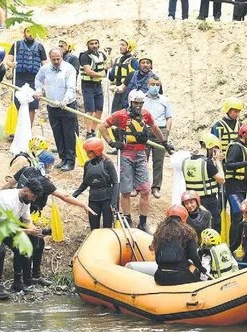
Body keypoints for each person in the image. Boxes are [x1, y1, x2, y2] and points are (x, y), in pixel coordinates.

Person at [10, 165, 95, 285]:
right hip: (23, 214)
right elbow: (64, 196)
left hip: (16, 212)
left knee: (38, 242)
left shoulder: (25, 169)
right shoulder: (44, 183)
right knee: (34, 242)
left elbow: (9, 184)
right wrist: (83, 205)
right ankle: (28, 278)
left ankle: (32, 276)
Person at [99, 89, 165, 232]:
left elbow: (154, 127)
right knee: (126, 190)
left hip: (141, 154)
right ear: (130, 102)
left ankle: (143, 222)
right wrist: (111, 142)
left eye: (140, 103)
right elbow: (102, 126)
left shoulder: (146, 114)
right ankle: (127, 218)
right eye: (136, 103)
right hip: (126, 154)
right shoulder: (120, 115)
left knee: (146, 191)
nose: (138, 106)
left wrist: (164, 142)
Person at [0, 178, 44, 299]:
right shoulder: (8, 200)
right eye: (33, 196)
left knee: (21, 247)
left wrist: (35, 231)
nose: (33, 200)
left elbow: (27, 220)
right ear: (25, 190)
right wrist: (28, 231)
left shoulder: (26, 201)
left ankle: (18, 283)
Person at [34, 48, 77, 171]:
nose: (56, 61)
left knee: (68, 134)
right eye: (54, 59)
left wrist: (65, 100)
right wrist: (39, 90)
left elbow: (71, 87)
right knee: (57, 133)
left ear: (62, 57)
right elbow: (38, 79)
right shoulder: (45, 68)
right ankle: (63, 158)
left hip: (66, 106)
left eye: (58, 59)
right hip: (52, 106)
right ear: (50, 59)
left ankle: (70, 160)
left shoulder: (69, 69)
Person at [152, 205, 208, 286]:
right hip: (180, 277)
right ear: (184, 217)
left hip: (160, 277)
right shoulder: (188, 232)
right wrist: (201, 268)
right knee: (197, 276)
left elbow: (157, 259)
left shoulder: (159, 233)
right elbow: (194, 256)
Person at [72, 138, 119, 230]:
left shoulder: (107, 163)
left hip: (107, 199)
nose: (87, 155)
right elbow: (85, 183)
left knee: (107, 228)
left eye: (89, 152)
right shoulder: (87, 164)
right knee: (94, 228)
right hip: (93, 199)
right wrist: (74, 195)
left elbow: (115, 183)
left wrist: (113, 202)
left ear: (96, 151)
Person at [183, 133, 226, 232]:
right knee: (214, 226)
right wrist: (218, 162)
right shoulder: (207, 162)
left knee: (194, 227)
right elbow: (222, 180)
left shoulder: (186, 161)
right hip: (209, 201)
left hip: (192, 201)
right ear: (211, 147)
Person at [6, 27, 48, 127]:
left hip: (34, 79)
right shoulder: (17, 45)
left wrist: (45, 83)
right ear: (24, 33)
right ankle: (15, 129)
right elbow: (8, 61)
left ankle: (28, 128)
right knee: (17, 103)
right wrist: (12, 65)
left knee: (32, 105)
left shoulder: (40, 47)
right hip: (19, 77)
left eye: (32, 32)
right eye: (28, 32)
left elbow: (45, 66)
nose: (30, 34)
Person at [224, 123, 247, 242]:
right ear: (244, 135)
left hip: (245, 185)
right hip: (234, 186)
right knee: (238, 215)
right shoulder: (236, 147)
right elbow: (229, 165)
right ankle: (234, 245)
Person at [143, 75, 173, 198]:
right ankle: (141, 185)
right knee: (142, 159)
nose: (155, 87)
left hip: (159, 131)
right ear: (148, 85)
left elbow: (169, 117)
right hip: (144, 131)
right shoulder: (141, 99)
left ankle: (156, 187)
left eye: (157, 85)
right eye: (152, 85)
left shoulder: (164, 100)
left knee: (158, 161)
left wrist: (166, 132)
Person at [79, 38, 109, 138]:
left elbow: (106, 65)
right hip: (88, 85)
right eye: (91, 44)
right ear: (88, 45)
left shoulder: (102, 55)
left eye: (96, 43)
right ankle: (88, 132)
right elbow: (88, 71)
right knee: (90, 109)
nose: (94, 45)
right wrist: (102, 75)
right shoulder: (84, 56)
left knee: (99, 108)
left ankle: (93, 130)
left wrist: (108, 65)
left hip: (98, 85)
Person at [108, 38, 139, 113]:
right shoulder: (117, 60)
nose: (120, 47)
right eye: (120, 45)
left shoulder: (133, 61)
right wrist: (107, 69)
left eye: (123, 45)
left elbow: (138, 76)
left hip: (128, 92)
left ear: (129, 47)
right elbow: (111, 78)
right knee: (115, 114)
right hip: (117, 91)